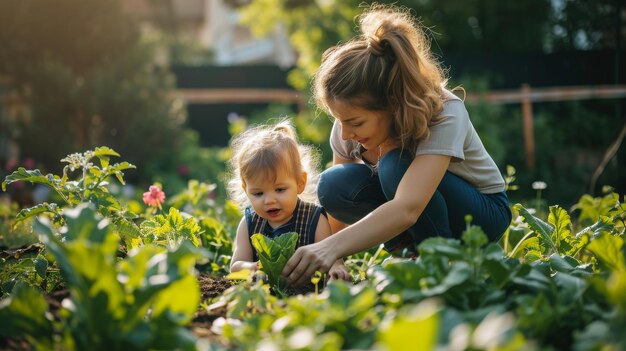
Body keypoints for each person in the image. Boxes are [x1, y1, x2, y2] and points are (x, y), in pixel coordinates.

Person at [282, 4, 512, 286]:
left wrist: (330, 248)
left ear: (391, 105)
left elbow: (408, 207)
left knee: (394, 165)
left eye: (355, 122)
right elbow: (336, 204)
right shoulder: (348, 126)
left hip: (482, 213)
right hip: (416, 204)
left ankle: (440, 262)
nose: (344, 132)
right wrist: (334, 258)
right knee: (333, 184)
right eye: (338, 119)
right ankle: (409, 255)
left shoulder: (444, 112)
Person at [227, 119, 350, 282]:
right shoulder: (249, 223)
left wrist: (337, 270)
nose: (269, 200)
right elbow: (235, 265)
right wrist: (251, 267)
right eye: (258, 194)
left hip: (306, 295)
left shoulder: (314, 219)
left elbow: (333, 259)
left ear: (300, 183)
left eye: (280, 190)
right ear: (246, 190)